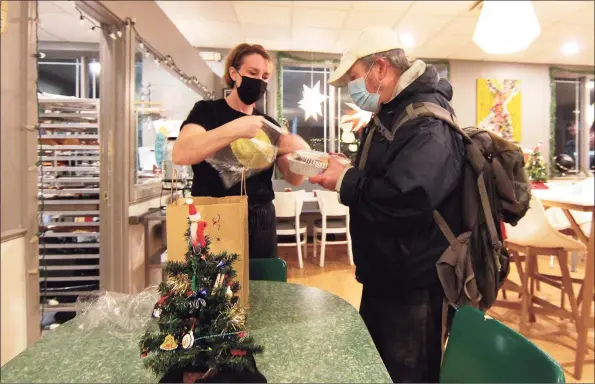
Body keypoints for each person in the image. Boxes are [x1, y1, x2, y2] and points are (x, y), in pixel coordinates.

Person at [309, 26, 464, 383]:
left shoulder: (426, 121)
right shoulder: (392, 114)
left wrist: (345, 180)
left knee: (403, 374)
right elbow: (387, 177)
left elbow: (409, 197)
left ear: (380, 68)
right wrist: (346, 169)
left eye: (354, 77)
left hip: (412, 285)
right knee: (377, 370)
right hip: (386, 275)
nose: (353, 87)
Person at [173, 43, 306, 259]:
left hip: (261, 219)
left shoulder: (269, 125)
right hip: (213, 216)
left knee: (263, 288)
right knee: (214, 288)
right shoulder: (206, 112)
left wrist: (301, 155)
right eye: (252, 73)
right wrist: (236, 128)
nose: (259, 81)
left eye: (265, 76)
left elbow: (294, 178)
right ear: (234, 73)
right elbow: (181, 153)